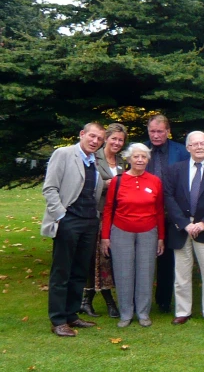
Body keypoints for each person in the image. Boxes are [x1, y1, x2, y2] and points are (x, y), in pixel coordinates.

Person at [42, 122, 106, 337]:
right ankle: (58, 320)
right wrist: (61, 215)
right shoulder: (64, 154)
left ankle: (71, 315)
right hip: (69, 220)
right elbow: (50, 188)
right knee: (62, 271)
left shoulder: (93, 161)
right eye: (92, 136)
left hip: (89, 222)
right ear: (82, 134)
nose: (95, 141)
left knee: (79, 272)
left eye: (99, 139)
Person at [164, 131, 204, 325]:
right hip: (181, 228)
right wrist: (185, 224)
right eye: (195, 144)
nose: (199, 147)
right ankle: (183, 311)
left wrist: (203, 223)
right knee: (181, 273)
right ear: (188, 147)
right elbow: (169, 198)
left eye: (203, 144)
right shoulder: (175, 170)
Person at [101, 143, 165, 328]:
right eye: (136, 156)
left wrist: (161, 236)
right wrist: (106, 236)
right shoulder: (118, 181)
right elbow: (108, 210)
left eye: (143, 157)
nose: (139, 160)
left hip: (148, 231)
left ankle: (143, 313)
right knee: (123, 272)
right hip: (121, 231)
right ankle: (126, 313)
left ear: (148, 160)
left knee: (145, 272)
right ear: (129, 159)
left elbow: (160, 210)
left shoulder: (155, 181)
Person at [81, 123, 128, 320]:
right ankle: (103, 302)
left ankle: (88, 301)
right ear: (106, 139)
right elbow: (85, 183)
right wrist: (106, 184)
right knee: (94, 260)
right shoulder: (94, 157)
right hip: (94, 214)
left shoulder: (122, 161)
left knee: (107, 260)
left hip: (115, 217)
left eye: (120, 140)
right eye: (113, 139)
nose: (116, 143)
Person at [144, 114, 188, 313]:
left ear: (168, 131)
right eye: (152, 131)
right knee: (144, 257)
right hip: (145, 212)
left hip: (172, 213)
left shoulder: (180, 151)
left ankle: (163, 300)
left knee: (168, 259)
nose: (156, 135)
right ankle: (141, 300)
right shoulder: (141, 151)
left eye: (160, 131)